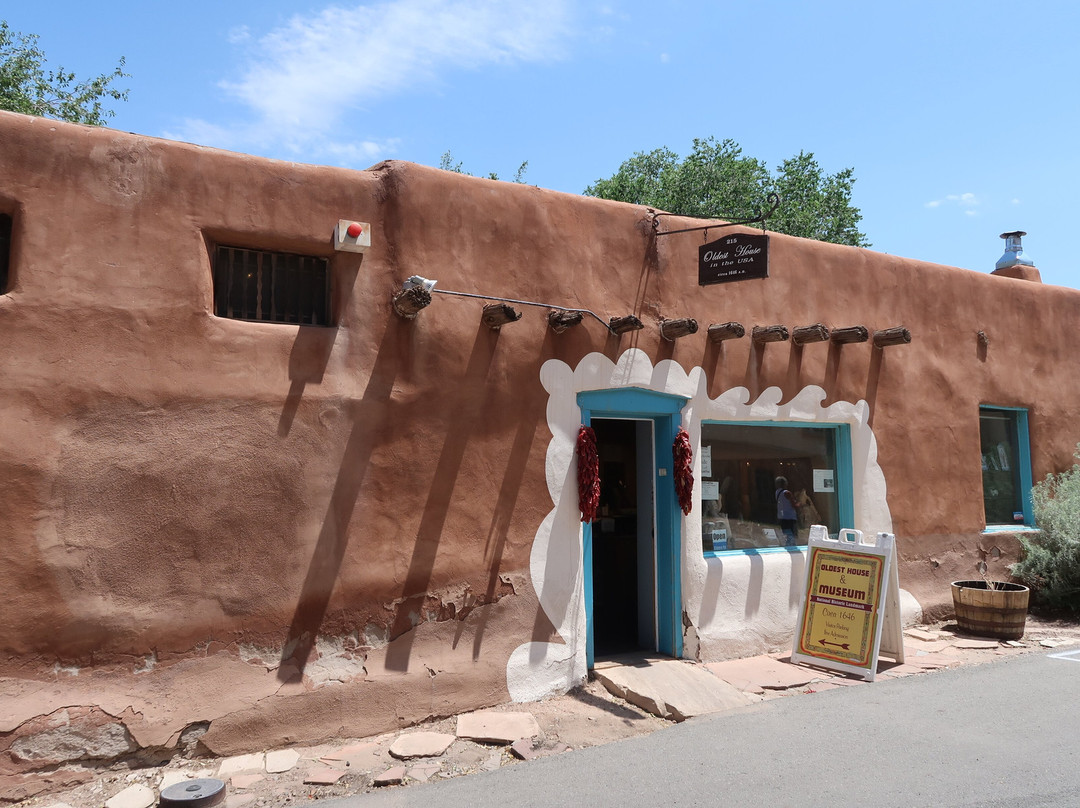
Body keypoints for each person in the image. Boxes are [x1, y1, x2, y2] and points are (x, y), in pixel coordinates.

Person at [775, 476, 798, 546]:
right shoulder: (787, 493)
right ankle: (791, 548)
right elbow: (794, 505)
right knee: (791, 535)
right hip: (790, 517)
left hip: (782, 517)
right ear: (784, 484)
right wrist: (800, 504)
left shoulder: (777, 492)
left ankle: (788, 545)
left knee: (786, 533)